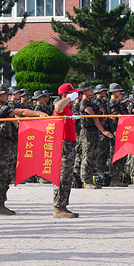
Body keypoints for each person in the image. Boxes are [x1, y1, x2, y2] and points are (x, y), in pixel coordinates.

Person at [0, 84, 47, 215]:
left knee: (7, 175)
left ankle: (1, 202)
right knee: (0, 176)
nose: (7, 96)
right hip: (0, 145)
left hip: (9, 144)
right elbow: (21, 112)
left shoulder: (5, 107)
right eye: (4, 94)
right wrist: (38, 113)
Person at [52, 84, 81, 218]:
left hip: (70, 144)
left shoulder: (69, 108)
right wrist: (68, 97)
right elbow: (57, 107)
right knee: (62, 176)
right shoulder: (61, 107)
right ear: (65, 95)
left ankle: (63, 205)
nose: (75, 98)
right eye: (72, 95)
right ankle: (58, 207)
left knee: (68, 176)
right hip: (63, 144)